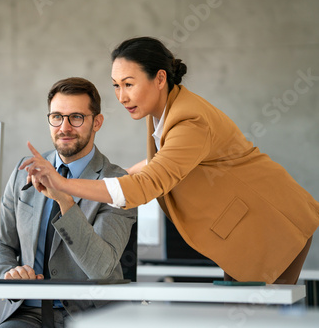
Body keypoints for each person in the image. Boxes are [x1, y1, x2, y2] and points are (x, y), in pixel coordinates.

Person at [21, 37, 319, 285]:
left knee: (260, 318)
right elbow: (159, 165)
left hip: (273, 224)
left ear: (159, 78)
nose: (121, 97)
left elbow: (147, 185)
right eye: (116, 85)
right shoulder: (163, 114)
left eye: (128, 84)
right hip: (244, 230)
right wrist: (116, 177)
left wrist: (64, 184)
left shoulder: (190, 120)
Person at [0, 77, 137, 327]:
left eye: (76, 117)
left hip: (90, 314)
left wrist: (65, 200)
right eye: (57, 117)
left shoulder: (116, 182)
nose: (64, 127)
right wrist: (9, 274)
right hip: (27, 312)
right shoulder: (24, 171)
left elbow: (101, 268)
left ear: (97, 122)